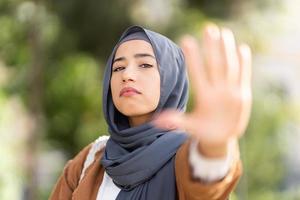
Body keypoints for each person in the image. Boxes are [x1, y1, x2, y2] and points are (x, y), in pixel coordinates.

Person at [50, 23, 252, 200]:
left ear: (171, 78)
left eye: (145, 64)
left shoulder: (187, 155)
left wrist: (215, 146)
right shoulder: (92, 158)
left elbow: (206, 184)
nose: (127, 75)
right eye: (118, 68)